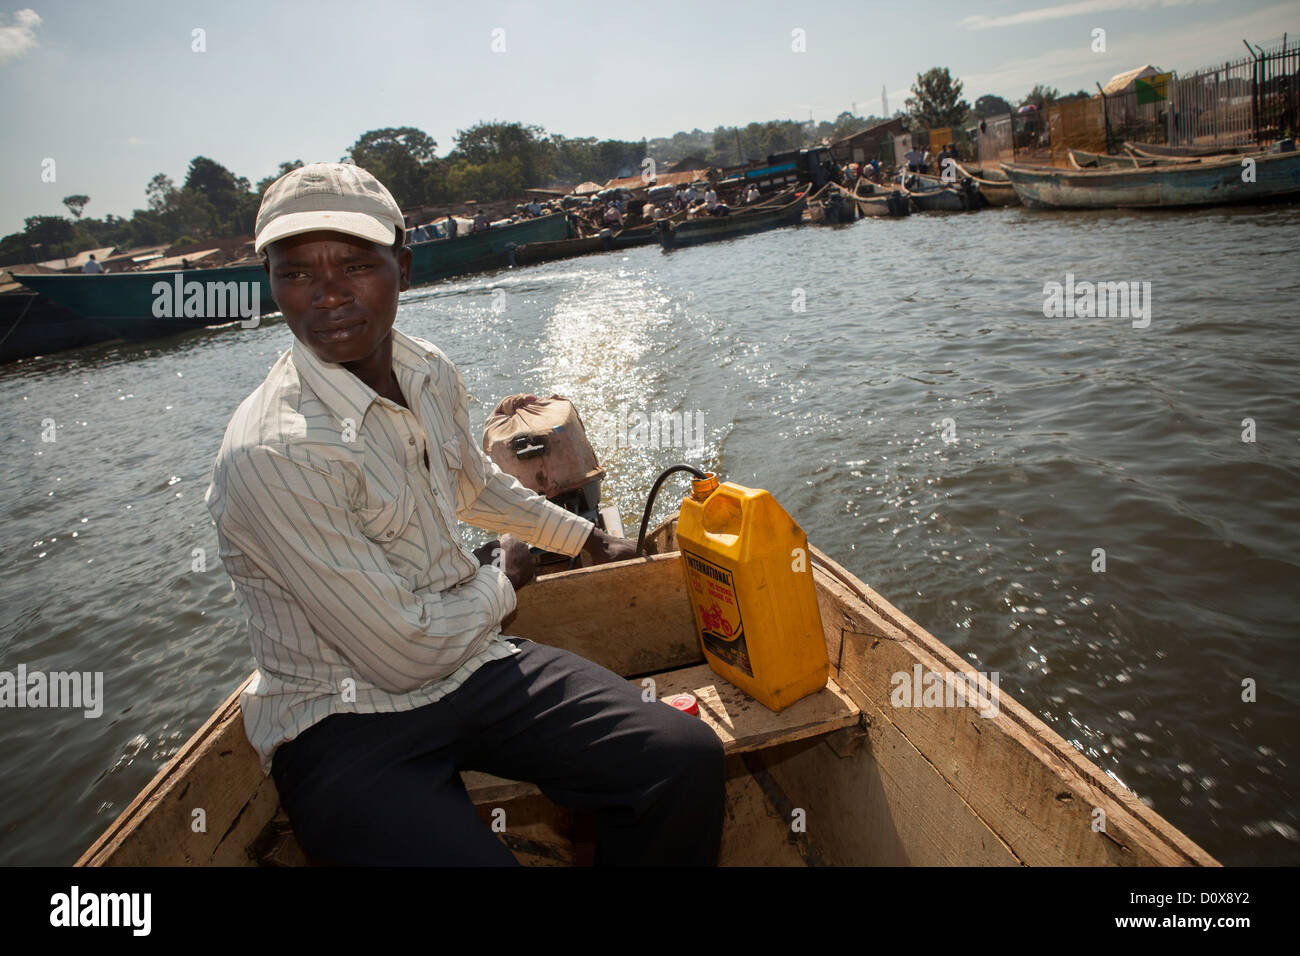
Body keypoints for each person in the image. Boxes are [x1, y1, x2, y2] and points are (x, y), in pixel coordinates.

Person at [204, 162, 724, 866]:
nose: (327, 294)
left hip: (469, 663)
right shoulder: (273, 450)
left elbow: (474, 485)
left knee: (681, 759)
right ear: (269, 280)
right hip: (338, 718)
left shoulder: (428, 371)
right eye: (296, 273)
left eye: (356, 264)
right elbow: (400, 653)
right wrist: (504, 578)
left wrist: (590, 541)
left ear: (404, 267)